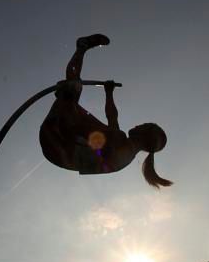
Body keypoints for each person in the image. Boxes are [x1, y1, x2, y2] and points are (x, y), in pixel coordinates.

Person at [39, 34, 172, 188]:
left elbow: (88, 130)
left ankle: (82, 47)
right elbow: (112, 118)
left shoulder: (119, 144)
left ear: (146, 134)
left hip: (57, 140)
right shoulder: (124, 149)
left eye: (143, 125)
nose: (138, 125)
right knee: (72, 90)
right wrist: (108, 92)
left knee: (73, 86)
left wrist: (67, 100)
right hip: (58, 148)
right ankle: (70, 89)